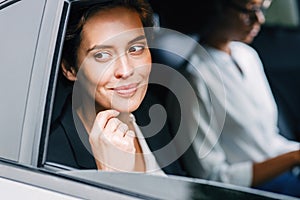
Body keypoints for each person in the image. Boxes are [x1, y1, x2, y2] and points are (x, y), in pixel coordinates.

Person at [160, 0, 300, 197]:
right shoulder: (193, 80)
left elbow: (268, 142)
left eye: (261, 10)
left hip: (285, 174)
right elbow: (212, 177)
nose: (259, 19)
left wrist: (294, 154)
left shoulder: (247, 55)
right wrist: (292, 158)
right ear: (217, 9)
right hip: (250, 191)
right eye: (249, 10)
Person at [47, 0, 186, 176]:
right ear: (70, 69)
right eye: (102, 55)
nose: (126, 70)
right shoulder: (52, 153)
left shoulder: (150, 109)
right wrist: (110, 176)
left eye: (136, 48)